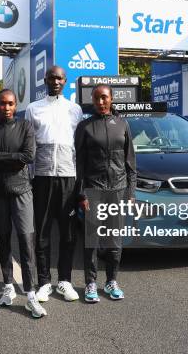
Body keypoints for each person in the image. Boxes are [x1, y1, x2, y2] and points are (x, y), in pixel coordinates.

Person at [24, 65, 83, 303]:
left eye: (59, 78)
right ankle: (44, 282)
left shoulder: (75, 109)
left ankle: (65, 281)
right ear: (45, 80)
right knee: (43, 233)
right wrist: (30, 177)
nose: (55, 81)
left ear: (65, 81)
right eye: (51, 77)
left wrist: (80, 182)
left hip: (69, 178)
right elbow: (29, 146)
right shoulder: (33, 108)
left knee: (68, 234)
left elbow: (78, 147)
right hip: (42, 178)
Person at [74, 84, 136, 303]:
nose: (100, 102)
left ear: (111, 99)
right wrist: (81, 193)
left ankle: (111, 281)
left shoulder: (122, 124)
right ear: (92, 99)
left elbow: (130, 161)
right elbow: (79, 163)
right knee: (92, 240)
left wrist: (131, 191)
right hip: (93, 189)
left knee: (114, 240)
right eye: (97, 98)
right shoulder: (85, 127)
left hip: (117, 190)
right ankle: (90, 282)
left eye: (104, 98)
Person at [0, 89, 46, 318]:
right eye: (3, 104)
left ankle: (30, 294)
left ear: (16, 105)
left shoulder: (25, 127)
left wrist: (0, 156)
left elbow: (28, 156)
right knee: (3, 240)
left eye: (11, 104)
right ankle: (8, 287)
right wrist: (11, 158)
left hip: (22, 191)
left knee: (26, 241)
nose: (7, 108)